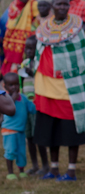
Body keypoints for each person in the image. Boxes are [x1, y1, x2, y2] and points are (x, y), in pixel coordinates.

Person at [33, 0, 85, 181]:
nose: (62, 7)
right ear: (52, 6)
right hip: (46, 87)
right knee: (50, 129)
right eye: (58, 4)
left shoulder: (76, 30)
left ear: (69, 6)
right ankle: (53, 168)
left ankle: (71, 170)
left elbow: (82, 58)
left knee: (71, 130)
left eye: (65, 4)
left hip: (70, 88)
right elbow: (38, 54)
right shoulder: (44, 29)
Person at [18, 35, 49, 176]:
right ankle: (35, 165)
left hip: (37, 105)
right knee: (29, 136)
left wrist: (33, 73)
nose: (28, 51)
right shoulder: (24, 63)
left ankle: (45, 165)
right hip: (25, 105)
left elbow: (44, 79)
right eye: (27, 48)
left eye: (31, 48)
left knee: (39, 136)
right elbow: (20, 83)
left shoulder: (40, 63)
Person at [1, 73, 36, 180]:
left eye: (16, 84)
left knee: (21, 152)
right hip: (9, 131)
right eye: (11, 85)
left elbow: (32, 109)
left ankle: (21, 171)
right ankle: (10, 172)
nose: (14, 87)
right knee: (10, 151)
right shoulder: (5, 99)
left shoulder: (23, 98)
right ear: (5, 86)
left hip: (21, 131)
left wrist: (35, 102)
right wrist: (13, 98)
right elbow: (9, 109)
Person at [2, 0, 38, 74]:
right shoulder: (13, 5)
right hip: (11, 41)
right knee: (10, 64)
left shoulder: (33, 4)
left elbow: (39, 20)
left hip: (25, 41)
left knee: (22, 65)